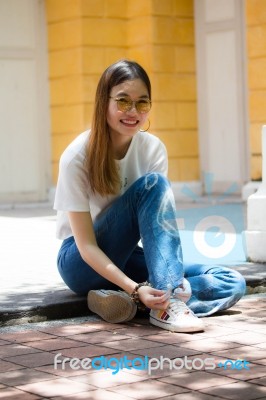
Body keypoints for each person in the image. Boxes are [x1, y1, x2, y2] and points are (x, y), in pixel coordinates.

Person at [54, 59, 246, 333]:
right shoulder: (77, 156)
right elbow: (86, 247)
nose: (133, 111)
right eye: (123, 101)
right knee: (153, 184)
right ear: (103, 102)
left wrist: (156, 282)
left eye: (142, 103)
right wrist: (135, 288)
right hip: (81, 262)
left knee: (230, 280)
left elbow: (158, 230)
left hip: (127, 254)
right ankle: (162, 304)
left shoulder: (153, 149)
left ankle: (145, 303)